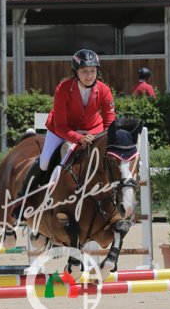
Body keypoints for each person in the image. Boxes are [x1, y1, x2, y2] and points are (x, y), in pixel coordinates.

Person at [19, 49, 116, 203]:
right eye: (84, 71)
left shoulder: (104, 90)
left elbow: (110, 123)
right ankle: (22, 200)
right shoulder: (63, 89)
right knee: (45, 162)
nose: (89, 75)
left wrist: (104, 139)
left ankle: (114, 200)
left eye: (93, 70)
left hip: (93, 130)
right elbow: (61, 126)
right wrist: (78, 138)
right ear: (76, 72)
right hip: (61, 130)